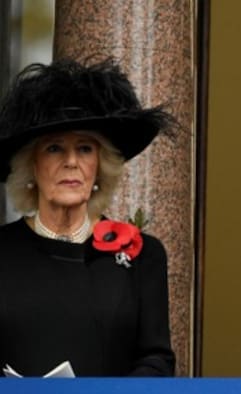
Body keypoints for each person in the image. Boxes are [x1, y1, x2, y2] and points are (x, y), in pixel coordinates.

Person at [0, 59, 176, 376]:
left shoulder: (144, 256)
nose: (71, 162)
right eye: (54, 148)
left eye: (84, 149)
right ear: (31, 167)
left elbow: (156, 360)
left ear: (99, 166)